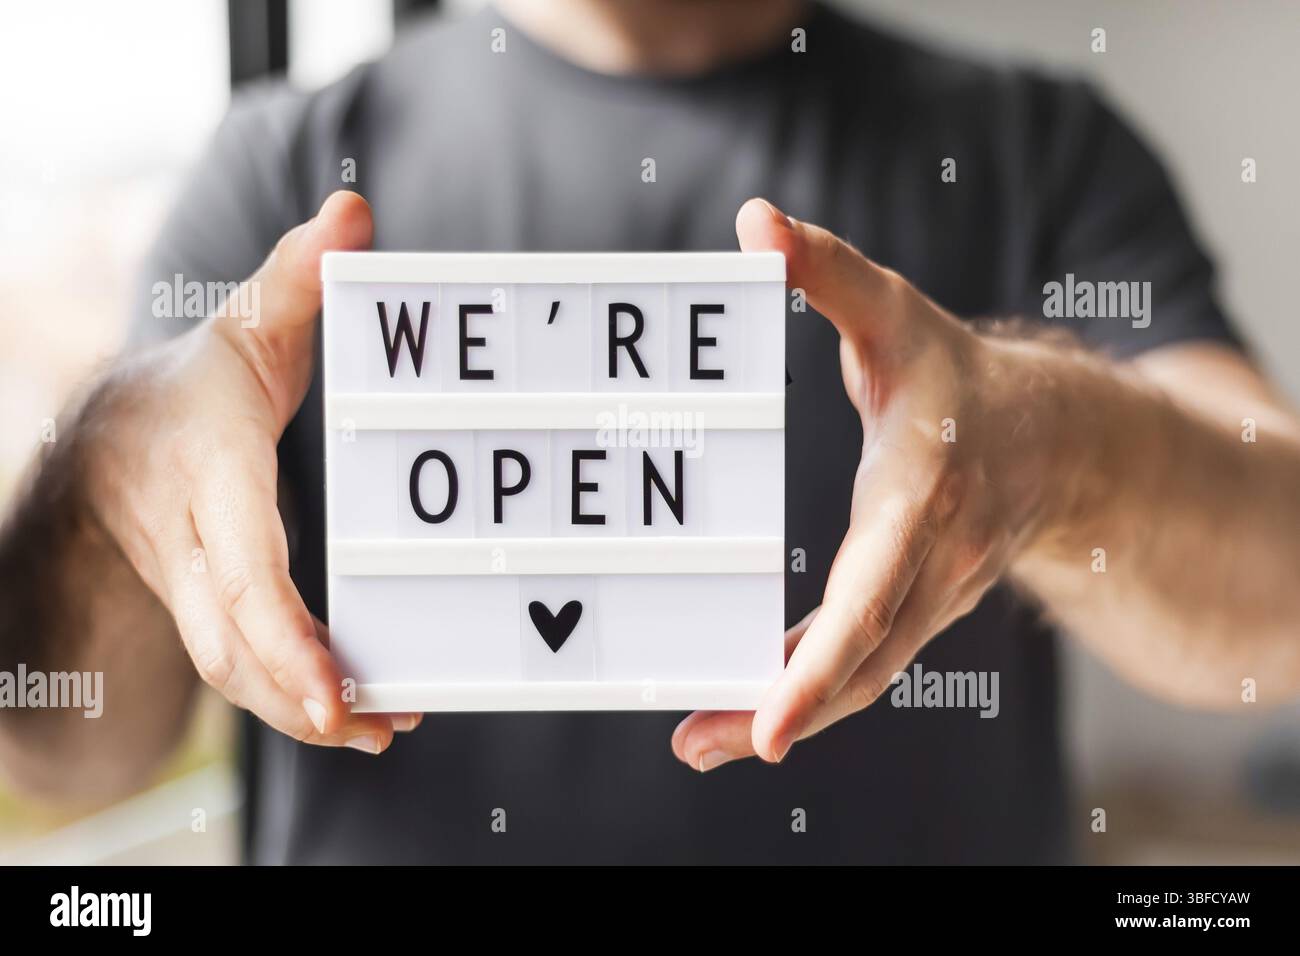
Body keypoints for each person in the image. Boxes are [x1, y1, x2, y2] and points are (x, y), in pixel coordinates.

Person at [2, 0, 1298, 864]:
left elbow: (1282, 603)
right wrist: (102, 480)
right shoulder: (277, 169)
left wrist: (1063, 451)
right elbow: (61, 751)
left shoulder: (1038, 149)